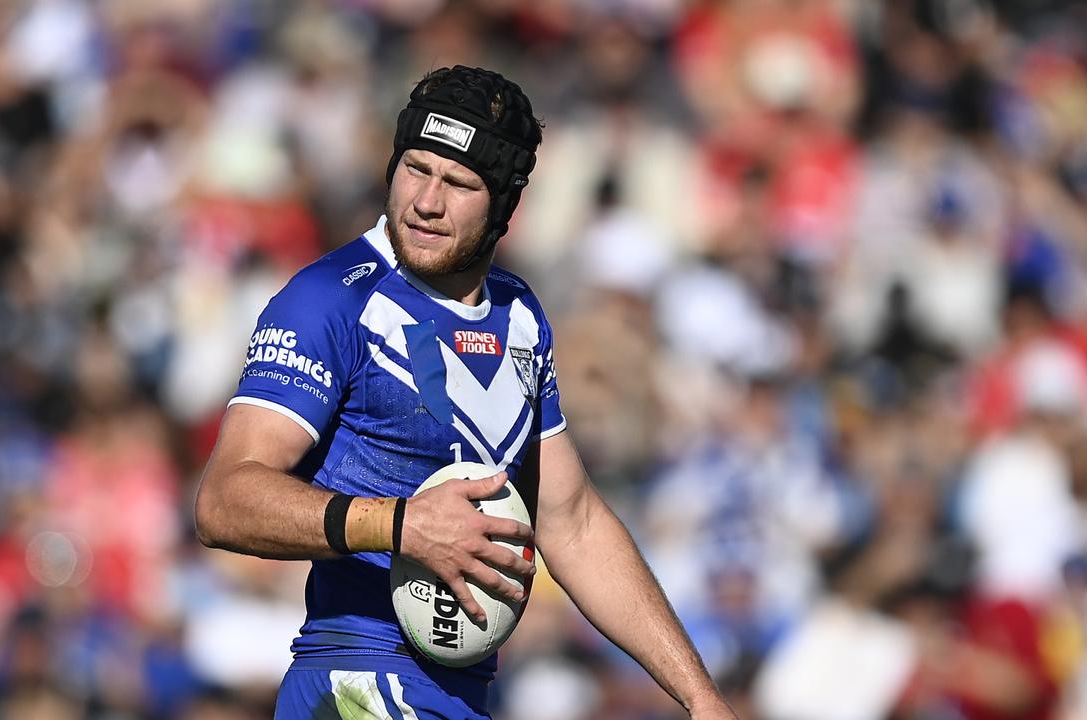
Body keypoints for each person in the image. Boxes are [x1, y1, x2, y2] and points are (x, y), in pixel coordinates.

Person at [195, 65, 736, 720]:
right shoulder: (330, 298)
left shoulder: (519, 316)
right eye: (415, 168)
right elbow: (224, 500)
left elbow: (574, 522)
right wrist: (401, 525)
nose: (426, 200)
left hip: (466, 697)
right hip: (358, 686)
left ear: (505, 205)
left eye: (458, 183)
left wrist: (702, 698)